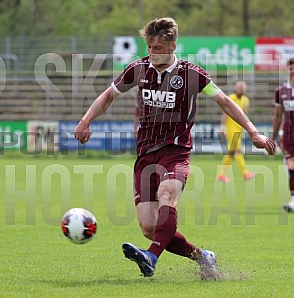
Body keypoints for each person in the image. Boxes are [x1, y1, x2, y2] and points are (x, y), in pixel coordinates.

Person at [74, 17, 276, 279]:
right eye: (149, 47)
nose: (152, 53)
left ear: (172, 46)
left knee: (167, 195)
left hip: (176, 152)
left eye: (157, 48)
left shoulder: (192, 74)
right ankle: (203, 257)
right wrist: (86, 120)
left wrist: (253, 132)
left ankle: (151, 257)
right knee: (149, 227)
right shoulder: (138, 69)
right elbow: (109, 95)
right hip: (145, 155)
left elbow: (225, 102)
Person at [217, 81, 256, 183]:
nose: (241, 90)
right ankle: (245, 173)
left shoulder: (246, 100)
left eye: (243, 88)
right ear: (236, 88)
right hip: (231, 129)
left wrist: (248, 128)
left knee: (231, 152)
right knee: (237, 150)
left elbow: (245, 115)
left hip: (239, 129)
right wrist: (223, 127)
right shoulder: (231, 98)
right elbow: (225, 114)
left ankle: (221, 175)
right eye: (239, 88)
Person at [272, 58, 294, 212]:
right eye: (291, 68)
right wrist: (275, 134)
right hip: (289, 135)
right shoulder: (281, 91)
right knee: (291, 166)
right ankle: (293, 199)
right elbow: (278, 116)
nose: (293, 70)